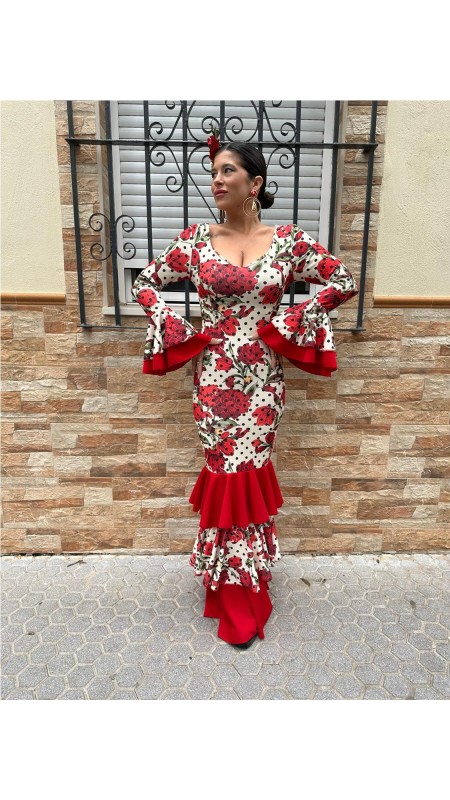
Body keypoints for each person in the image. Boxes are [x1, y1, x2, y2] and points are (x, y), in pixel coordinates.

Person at [132, 136, 359, 649]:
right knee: (224, 474)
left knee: (249, 474)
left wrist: (292, 318)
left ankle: (250, 583)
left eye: (227, 170)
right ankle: (229, 593)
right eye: (214, 171)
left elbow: (340, 279)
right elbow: (145, 284)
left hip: (263, 382)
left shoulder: (288, 242)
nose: (216, 179)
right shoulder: (194, 241)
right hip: (213, 380)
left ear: (253, 184)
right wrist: (179, 327)